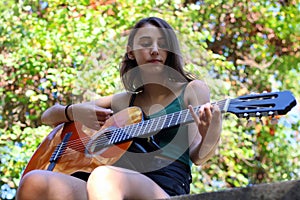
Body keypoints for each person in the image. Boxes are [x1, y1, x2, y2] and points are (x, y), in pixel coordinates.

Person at [16, 17, 222, 200]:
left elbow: (199, 156)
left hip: (163, 187)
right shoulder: (126, 101)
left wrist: (210, 133)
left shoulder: (192, 90)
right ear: (130, 53)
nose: (155, 50)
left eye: (162, 43)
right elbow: (48, 116)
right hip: (109, 187)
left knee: (103, 176)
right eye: (145, 43)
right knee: (34, 182)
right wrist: (73, 111)